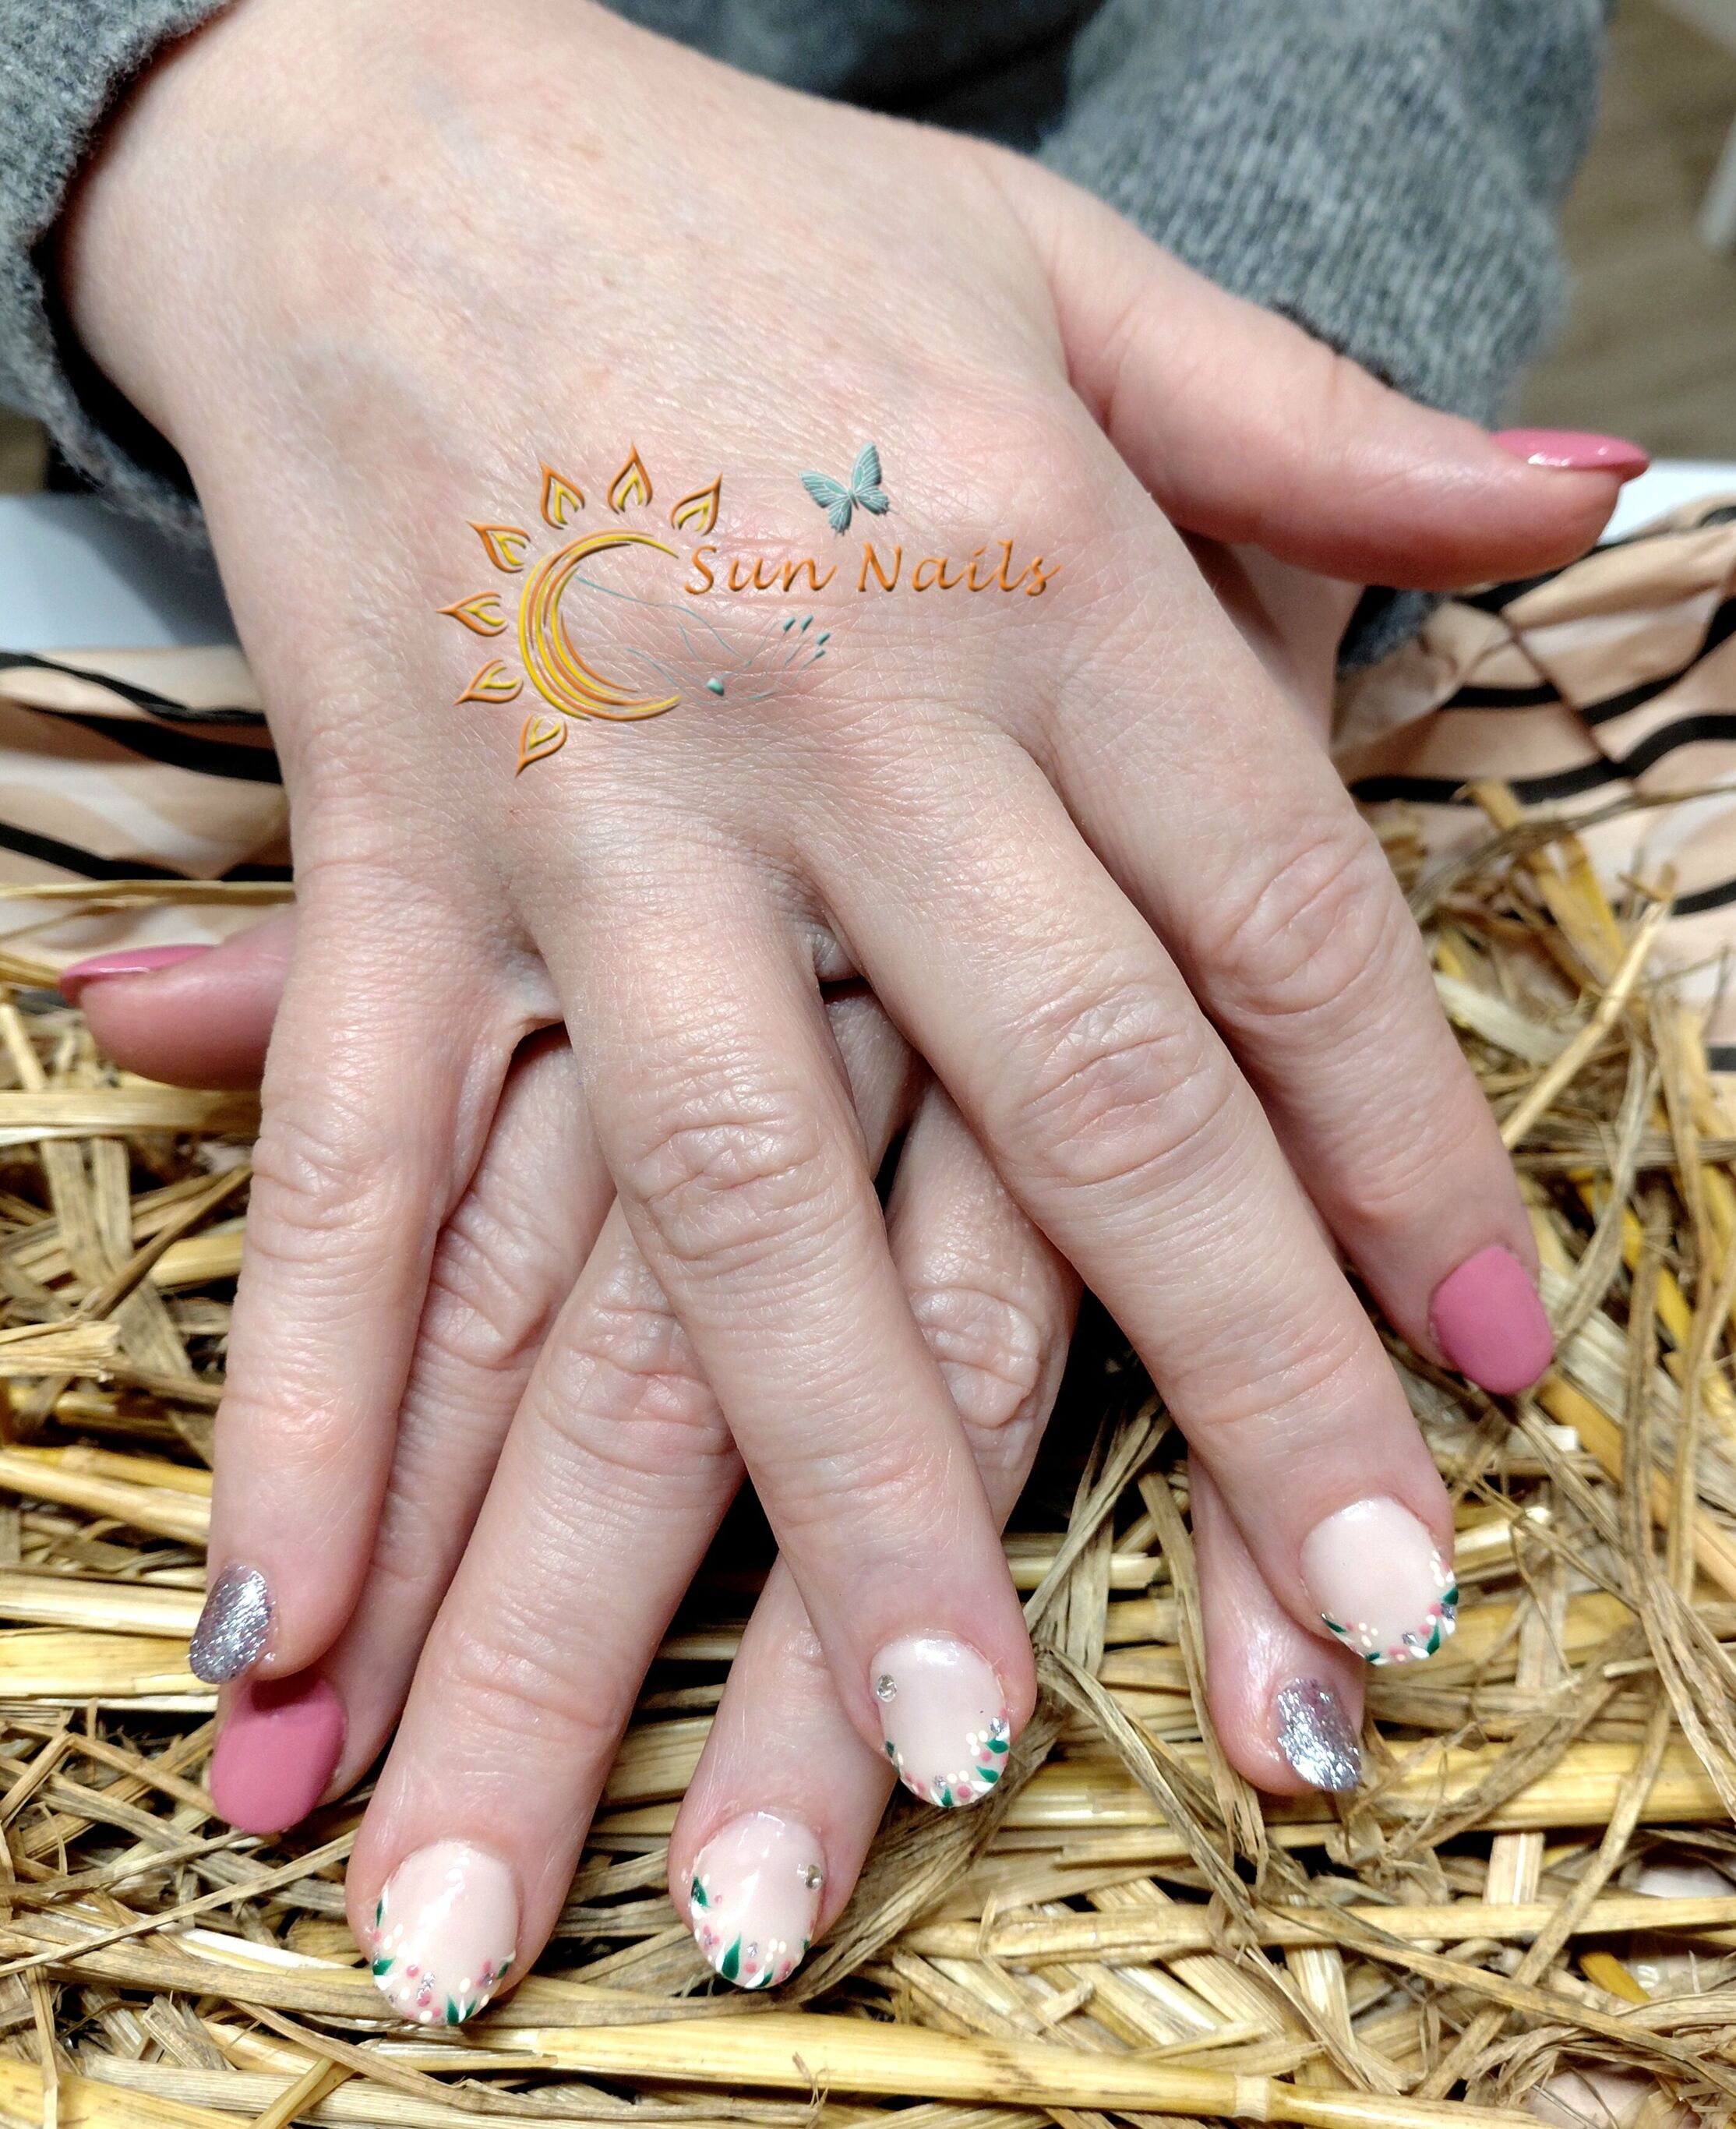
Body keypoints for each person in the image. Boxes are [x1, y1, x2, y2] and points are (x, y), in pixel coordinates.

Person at [1, 0, 1634, 2018]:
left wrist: (1167, 455)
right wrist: (235, 117)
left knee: (1004, 1090)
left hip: (1053, 306)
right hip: (267, 425)